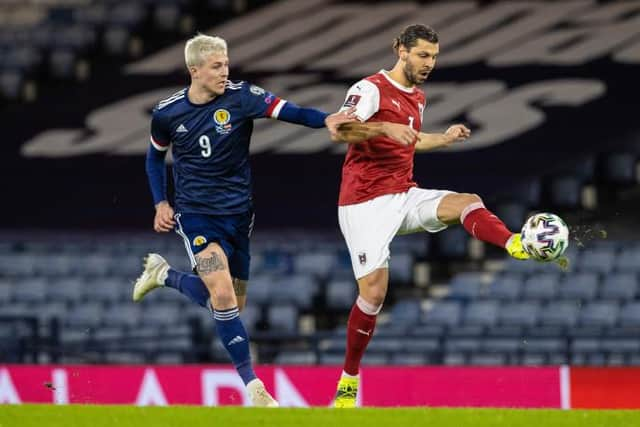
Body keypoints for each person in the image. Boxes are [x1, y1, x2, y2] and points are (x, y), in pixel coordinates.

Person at [132, 33, 355, 407]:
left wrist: (326, 119)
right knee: (221, 293)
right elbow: (155, 157)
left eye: (226, 64)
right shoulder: (167, 113)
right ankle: (254, 387)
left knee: (230, 303)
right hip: (196, 214)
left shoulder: (242, 97)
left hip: (239, 215)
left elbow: (292, 111)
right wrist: (160, 203)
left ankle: (164, 275)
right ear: (195, 70)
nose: (225, 71)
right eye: (217, 66)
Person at [327, 24, 530, 408]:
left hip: (403, 193)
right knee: (373, 294)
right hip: (363, 202)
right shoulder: (369, 88)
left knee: (467, 201)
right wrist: (383, 126)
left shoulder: (418, 97)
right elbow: (339, 130)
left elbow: (412, 139)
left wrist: (446, 138)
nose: (429, 63)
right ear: (400, 50)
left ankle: (514, 243)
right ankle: (349, 379)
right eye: (422, 55)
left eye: (434, 57)